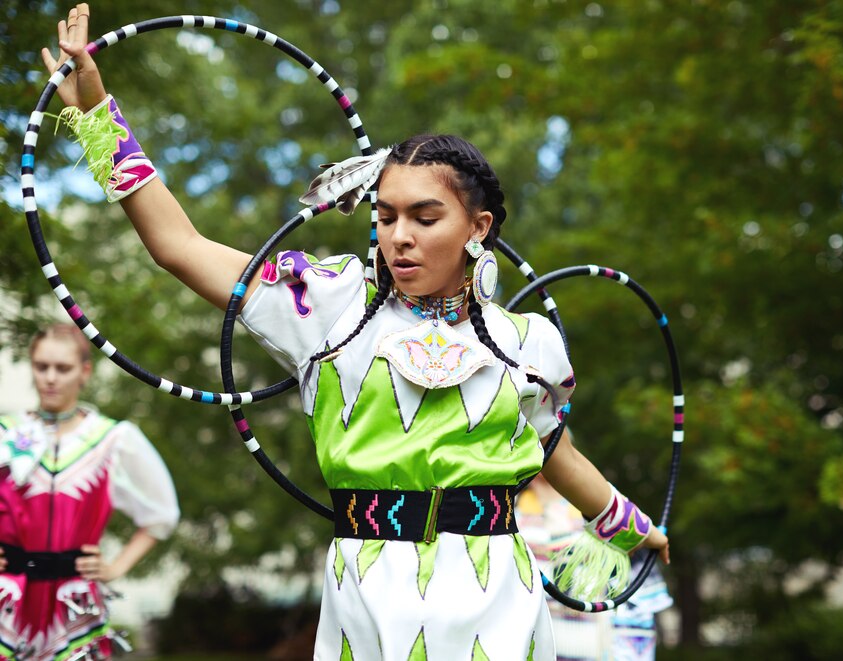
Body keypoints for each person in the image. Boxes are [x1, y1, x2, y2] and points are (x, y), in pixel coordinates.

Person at [42, 6, 669, 659]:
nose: (401, 235)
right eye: (388, 214)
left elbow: (556, 453)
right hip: (368, 594)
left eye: (426, 217)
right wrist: (94, 116)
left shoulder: (530, 341)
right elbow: (178, 245)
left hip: (497, 600)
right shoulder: (328, 305)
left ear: (479, 227)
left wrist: (630, 528)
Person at [0, 323, 180, 661]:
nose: (50, 377)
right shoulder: (5, 432)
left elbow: (163, 513)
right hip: (8, 600)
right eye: (42, 366)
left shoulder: (111, 440)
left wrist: (115, 567)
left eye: (63, 368)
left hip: (75, 604)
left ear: (85, 371)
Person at [518, 474, 673, 661]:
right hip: (532, 640)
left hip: (594, 641)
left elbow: (636, 598)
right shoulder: (508, 508)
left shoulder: (596, 504)